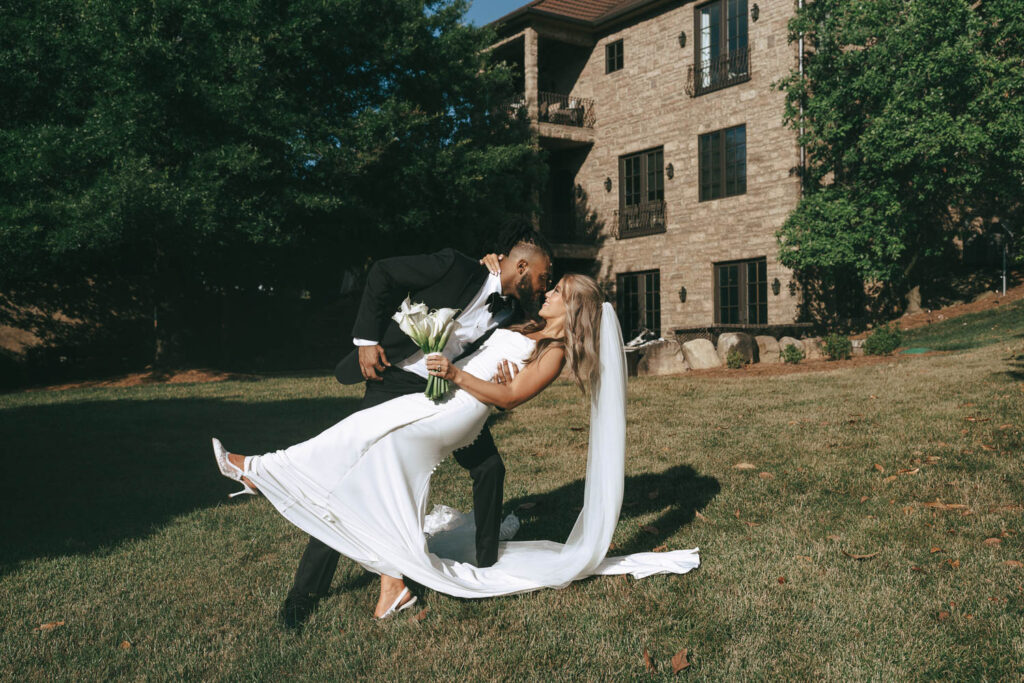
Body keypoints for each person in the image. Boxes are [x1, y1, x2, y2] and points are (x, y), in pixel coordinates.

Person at [213, 274, 700, 619]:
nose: (548, 292)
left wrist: (457, 374)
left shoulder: (553, 353)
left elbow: (510, 394)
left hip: (459, 405)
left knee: (376, 444)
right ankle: (391, 585)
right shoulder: (531, 328)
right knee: (371, 446)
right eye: (552, 286)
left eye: (558, 292)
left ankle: (261, 471)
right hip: (453, 396)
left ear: (572, 310)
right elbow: (496, 324)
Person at [263, 234, 553, 628]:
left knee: (489, 469)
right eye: (543, 276)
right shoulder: (455, 265)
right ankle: (304, 593)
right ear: (521, 267)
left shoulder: (514, 310)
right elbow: (383, 272)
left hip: (447, 393)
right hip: (394, 381)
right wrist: (366, 341)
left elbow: (528, 343)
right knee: (351, 478)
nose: (545, 285)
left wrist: (507, 373)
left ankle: (486, 567)